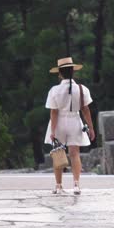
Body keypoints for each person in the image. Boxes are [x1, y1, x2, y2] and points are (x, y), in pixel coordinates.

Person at [44, 57, 96, 195]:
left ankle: (59, 185)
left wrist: (53, 130)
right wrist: (91, 127)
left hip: (60, 121)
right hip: (75, 121)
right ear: (73, 71)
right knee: (75, 154)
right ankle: (76, 185)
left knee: (58, 154)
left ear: (60, 73)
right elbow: (85, 110)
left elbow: (54, 112)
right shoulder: (82, 89)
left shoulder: (54, 90)